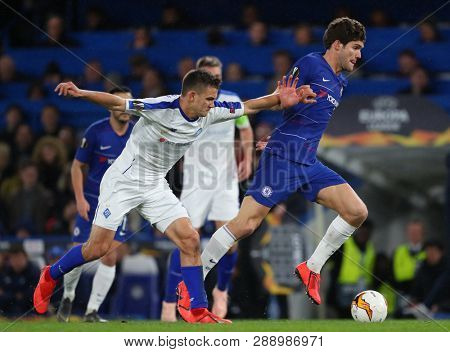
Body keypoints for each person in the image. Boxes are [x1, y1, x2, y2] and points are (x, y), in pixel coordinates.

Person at [33, 69, 316, 324]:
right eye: (208, 99)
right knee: (97, 248)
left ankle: (196, 309)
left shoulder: (211, 112)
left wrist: (280, 98)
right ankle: (51, 274)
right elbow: (117, 103)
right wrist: (80, 92)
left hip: (154, 185)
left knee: (190, 239)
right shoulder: (161, 106)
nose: (212, 104)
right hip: (122, 182)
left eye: (214, 99)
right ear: (191, 95)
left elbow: (250, 106)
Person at [183, 17, 367, 313]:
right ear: (337, 45)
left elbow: (307, 119)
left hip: (307, 162)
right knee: (246, 224)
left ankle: (312, 268)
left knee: (357, 211)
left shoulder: (340, 82)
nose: (358, 55)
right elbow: (280, 98)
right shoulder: (309, 63)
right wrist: (283, 114)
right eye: (355, 48)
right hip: (283, 157)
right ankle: (192, 282)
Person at [160, 56, 254, 321]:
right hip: (195, 181)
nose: (214, 81)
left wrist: (247, 156)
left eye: (217, 77)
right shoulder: (191, 101)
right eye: (209, 76)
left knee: (230, 242)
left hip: (225, 181)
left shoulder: (232, 99)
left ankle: (221, 292)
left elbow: (245, 130)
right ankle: (169, 303)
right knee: (186, 241)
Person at [56, 86, 135, 323]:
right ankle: (68, 295)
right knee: (80, 250)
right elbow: (77, 166)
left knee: (110, 256)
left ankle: (92, 311)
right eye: (119, 103)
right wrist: (79, 199)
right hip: (91, 201)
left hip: (118, 202)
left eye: (129, 104)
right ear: (110, 105)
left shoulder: (137, 133)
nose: (125, 109)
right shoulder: (95, 132)